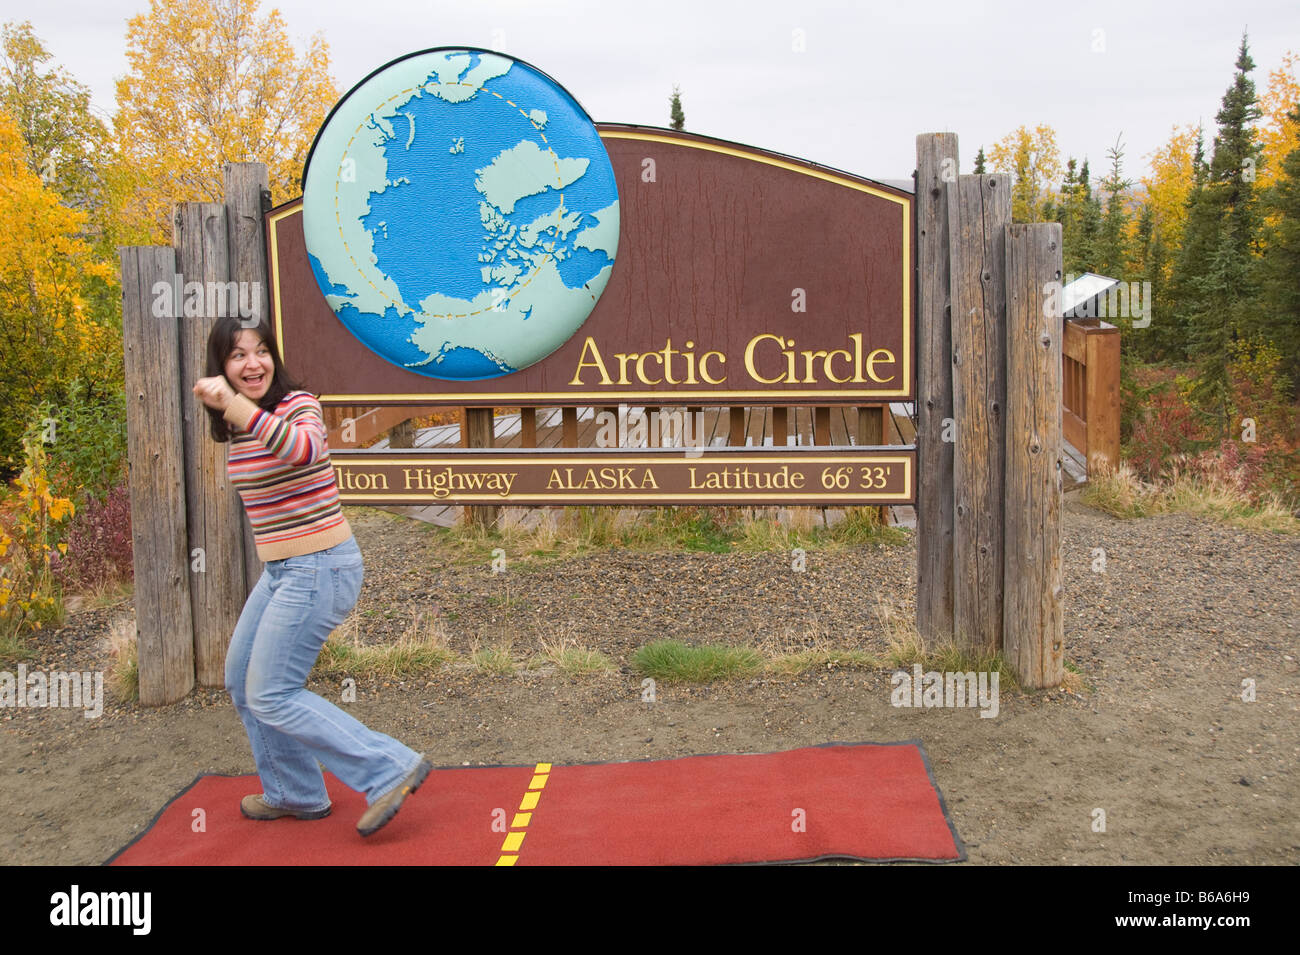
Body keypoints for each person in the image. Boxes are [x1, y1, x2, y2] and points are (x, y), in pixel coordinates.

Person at [192, 314, 431, 837]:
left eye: (260, 351)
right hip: (282, 570)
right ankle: (294, 792)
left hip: (321, 565)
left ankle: (389, 768)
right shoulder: (240, 425)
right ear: (222, 366)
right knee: (242, 680)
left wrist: (234, 403)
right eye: (237, 356)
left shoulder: (298, 406)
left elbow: (303, 451)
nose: (253, 363)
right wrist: (236, 411)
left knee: (273, 691)